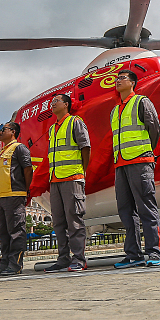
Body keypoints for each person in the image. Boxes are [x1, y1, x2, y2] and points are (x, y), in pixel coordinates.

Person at [111, 69, 160, 268]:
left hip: (140, 161)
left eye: (122, 78)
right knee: (126, 211)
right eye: (117, 78)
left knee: (146, 208)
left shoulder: (141, 102)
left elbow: (154, 129)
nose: (118, 81)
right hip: (121, 164)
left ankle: (153, 253)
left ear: (132, 83)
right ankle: (134, 254)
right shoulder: (114, 111)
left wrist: (145, 152)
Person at [43, 94, 91, 273]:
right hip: (55, 180)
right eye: (52, 102)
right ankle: (63, 258)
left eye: (56, 101)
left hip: (72, 178)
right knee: (59, 223)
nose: (53, 104)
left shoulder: (75, 122)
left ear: (66, 104)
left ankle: (79, 259)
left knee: (74, 220)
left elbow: (85, 147)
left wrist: (81, 172)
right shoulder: (52, 129)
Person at [0, 122, 34, 276]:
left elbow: (28, 169)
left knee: (16, 231)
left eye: (3, 130)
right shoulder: (1, 151)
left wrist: (24, 189)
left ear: (13, 132)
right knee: (3, 232)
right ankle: (4, 263)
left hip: (15, 195)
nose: (0, 132)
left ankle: (15, 265)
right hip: (1, 197)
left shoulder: (19, 148)